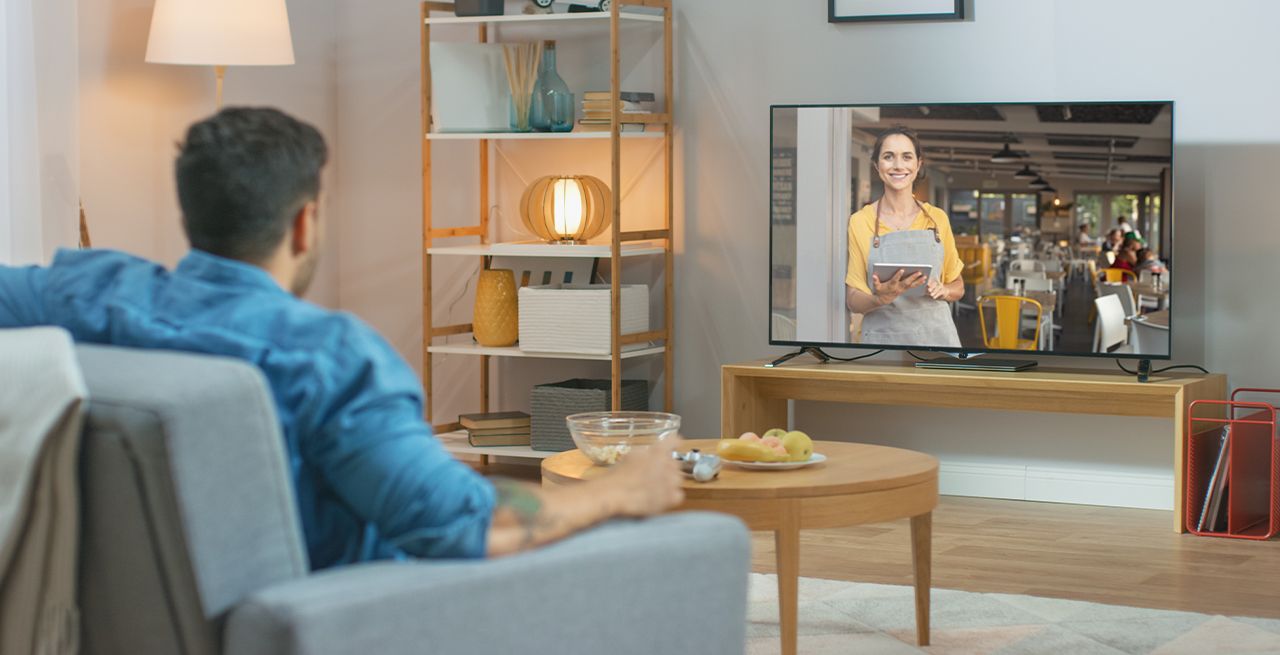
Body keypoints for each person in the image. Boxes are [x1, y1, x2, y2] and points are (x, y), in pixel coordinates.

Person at [0, 107, 685, 570]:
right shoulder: (326, 358)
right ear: (305, 223)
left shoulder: (85, 295)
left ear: (191, 213)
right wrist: (619, 489)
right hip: (352, 614)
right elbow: (466, 526)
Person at [844, 127, 963, 348]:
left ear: (918, 165)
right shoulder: (861, 221)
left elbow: (958, 285)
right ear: (877, 165)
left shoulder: (937, 219)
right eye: (888, 157)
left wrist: (945, 290)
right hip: (882, 342)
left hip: (937, 339)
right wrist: (879, 299)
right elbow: (852, 298)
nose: (898, 165)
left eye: (906, 157)